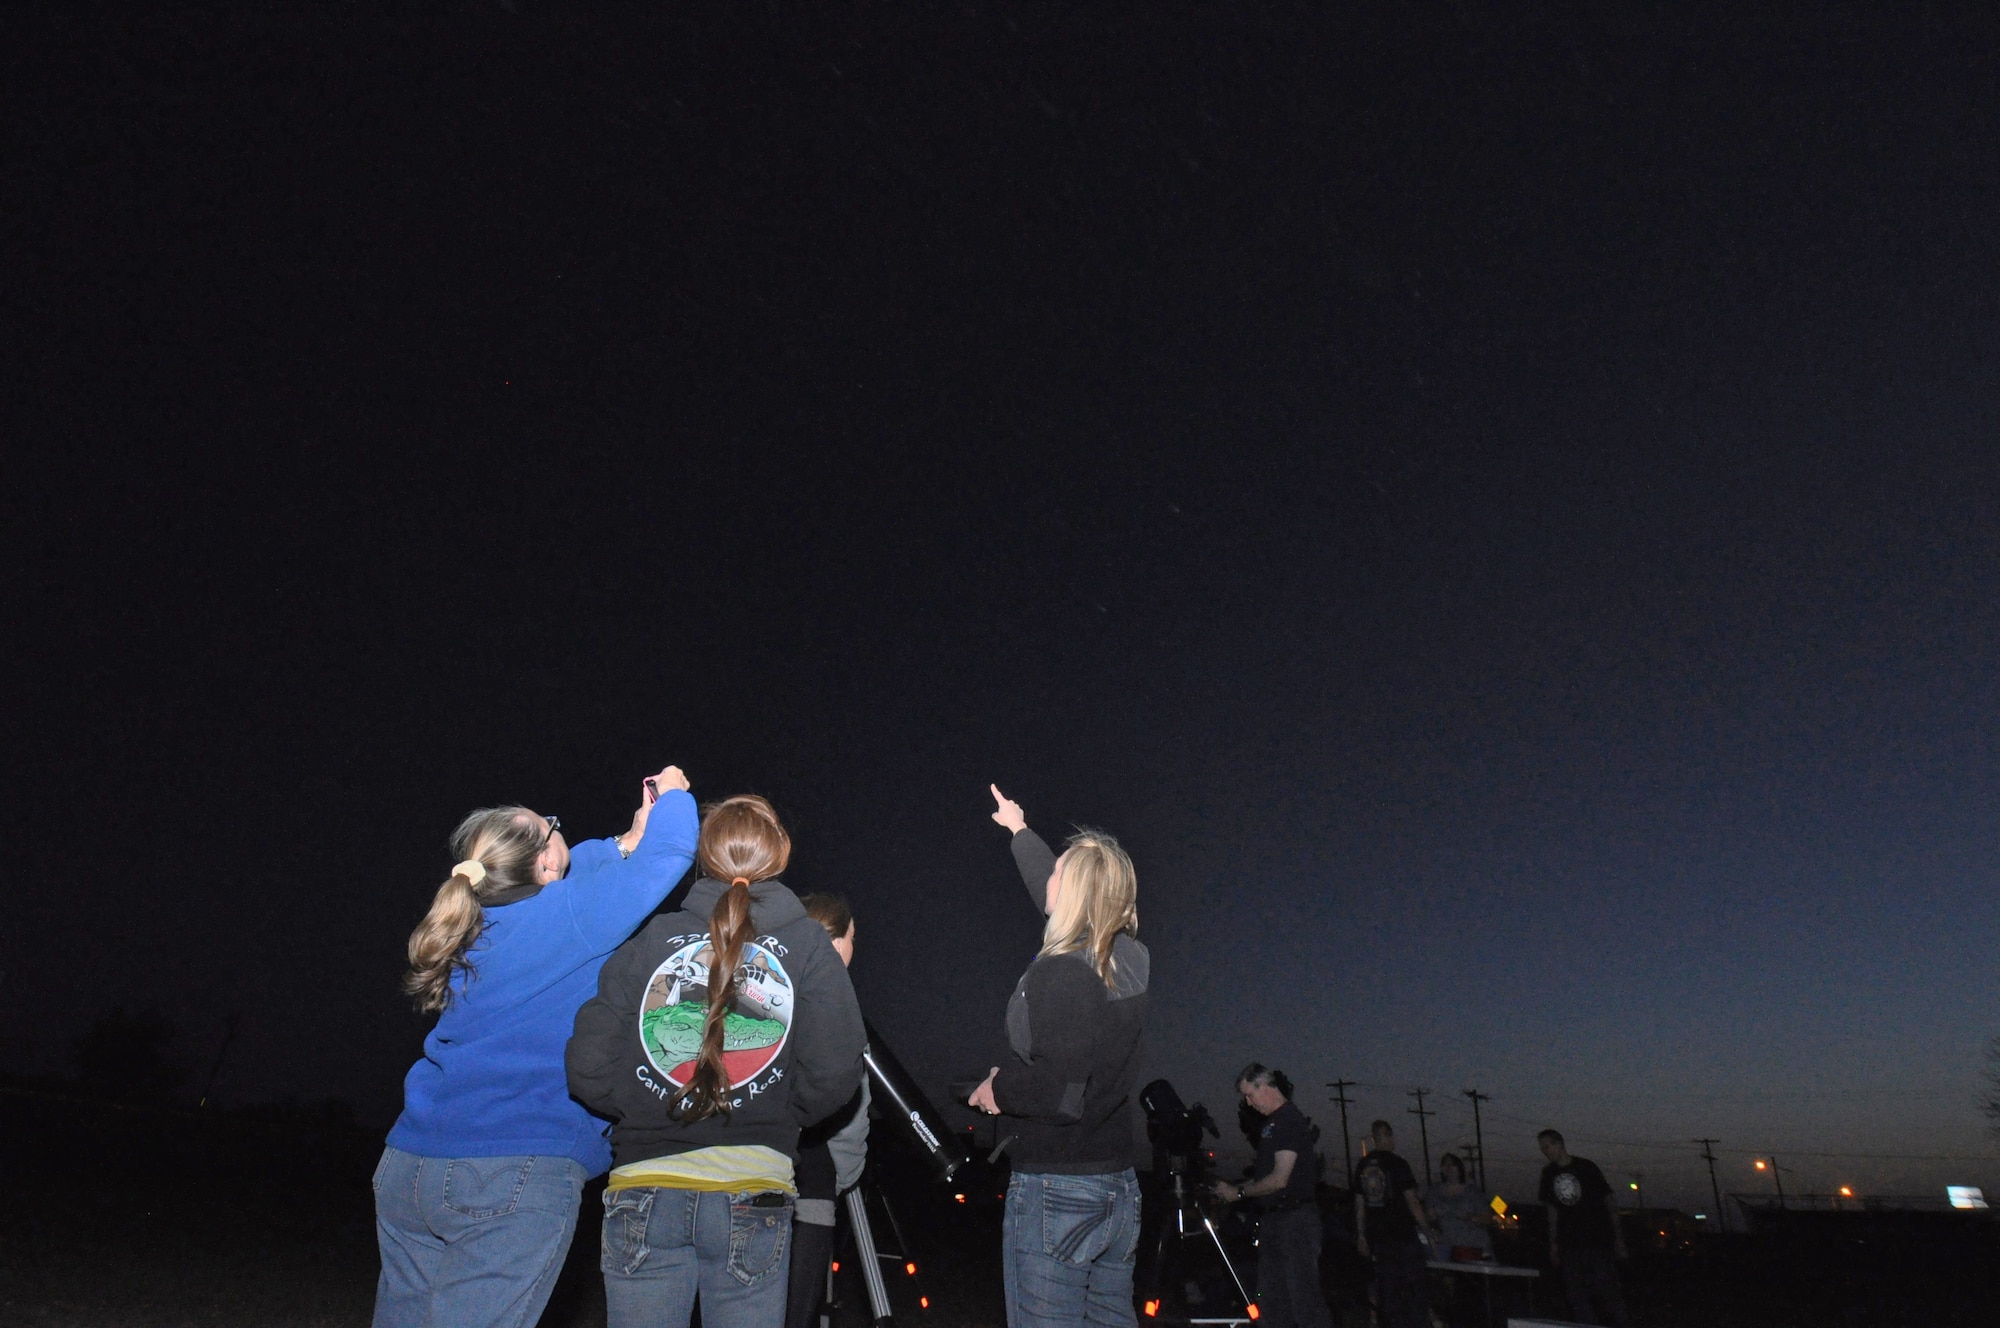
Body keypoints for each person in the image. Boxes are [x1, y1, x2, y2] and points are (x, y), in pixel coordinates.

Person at [373, 765, 699, 1328]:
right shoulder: (568, 917)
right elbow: (670, 854)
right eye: (550, 828)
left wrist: (626, 840)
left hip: (409, 1170)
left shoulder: (471, 929)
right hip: (508, 1174)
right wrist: (673, 793)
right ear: (544, 862)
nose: (557, 828)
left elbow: (578, 880)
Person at [566, 794, 867, 1328]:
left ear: (704, 857)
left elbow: (588, 1065)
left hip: (645, 1185)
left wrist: (646, 1103)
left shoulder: (649, 941)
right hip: (754, 1187)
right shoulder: (808, 947)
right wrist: (779, 1110)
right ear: (780, 855)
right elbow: (837, 1070)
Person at [972, 784, 1150, 1328]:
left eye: (1058, 876)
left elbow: (1058, 1092)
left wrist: (996, 1090)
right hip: (1116, 1187)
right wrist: (1020, 831)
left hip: (1060, 1188)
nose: (1047, 879)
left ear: (1073, 894)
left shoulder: (1062, 973)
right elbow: (1057, 891)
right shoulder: (1130, 959)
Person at [785, 893, 871, 1328]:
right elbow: (850, 1103)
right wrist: (845, 1172)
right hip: (813, 1188)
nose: (854, 948)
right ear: (836, 945)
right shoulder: (837, 1011)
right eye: (853, 937)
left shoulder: (766, 996)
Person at [1209, 1065, 1331, 1328]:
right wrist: (1232, 1189)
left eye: (1249, 1095)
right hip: (1276, 1222)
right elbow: (1264, 1176)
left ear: (1264, 1085)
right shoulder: (1271, 1125)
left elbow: (1279, 1179)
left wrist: (1238, 1192)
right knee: (1271, 1303)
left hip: (1295, 1220)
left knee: (1304, 1302)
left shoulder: (1287, 1119)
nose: (1248, 1102)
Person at [1536, 1130, 1630, 1328]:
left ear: (1558, 1144)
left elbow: (1609, 1202)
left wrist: (1618, 1238)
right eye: (1542, 1148)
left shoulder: (1586, 1167)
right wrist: (1554, 1244)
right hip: (1569, 1244)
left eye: (1546, 1146)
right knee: (1576, 1297)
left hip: (1597, 1241)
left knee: (1607, 1293)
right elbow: (1552, 1210)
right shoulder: (1549, 1174)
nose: (1544, 1151)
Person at [1352, 1120, 1434, 1328]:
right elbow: (1413, 1202)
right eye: (1390, 1135)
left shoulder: (1363, 1165)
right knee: (1415, 1287)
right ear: (1386, 1136)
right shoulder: (1398, 1164)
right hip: (1402, 1235)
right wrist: (1427, 1230)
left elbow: (1359, 1203)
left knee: (1388, 1290)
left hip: (1378, 1238)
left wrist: (1361, 1235)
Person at [1423, 1153, 1493, 1262]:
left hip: (1473, 1245)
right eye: (1445, 1164)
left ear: (1459, 1168)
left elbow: (1487, 1219)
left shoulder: (1473, 1192)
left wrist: (1470, 1217)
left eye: (1452, 1164)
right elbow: (1428, 1217)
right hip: (1446, 1245)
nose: (1448, 1167)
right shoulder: (1434, 1191)